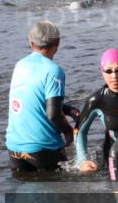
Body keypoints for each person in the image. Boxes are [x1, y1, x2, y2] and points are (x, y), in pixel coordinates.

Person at [6, 22, 80, 173]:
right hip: (42, 148)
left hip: (14, 147)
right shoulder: (53, 70)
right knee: (63, 191)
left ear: (31, 43)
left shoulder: (20, 65)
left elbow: (33, 100)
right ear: (58, 42)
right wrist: (68, 132)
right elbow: (53, 115)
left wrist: (67, 109)